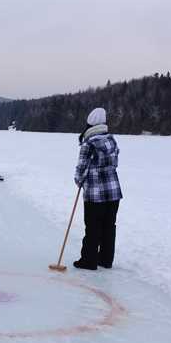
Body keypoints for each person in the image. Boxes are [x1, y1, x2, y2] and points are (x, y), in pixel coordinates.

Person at [73, 107, 122, 270]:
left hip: (95, 194)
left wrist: (79, 180)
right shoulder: (111, 140)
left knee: (93, 226)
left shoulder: (88, 143)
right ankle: (106, 259)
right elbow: (114, 163)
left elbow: (81, 167)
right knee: (109, 226)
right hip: (113, 191)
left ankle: (89, 260)